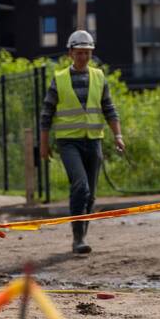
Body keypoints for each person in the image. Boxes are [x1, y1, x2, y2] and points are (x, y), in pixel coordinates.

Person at [39, 30, 124, 255]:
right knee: (80, 187)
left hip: (94, 141)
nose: (83, 57)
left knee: (91, 194)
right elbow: (46, 114)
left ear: (91, 53)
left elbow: (109, 108)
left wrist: (118, 135)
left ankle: (82, 234)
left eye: (87, 53)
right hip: (68, 142)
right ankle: (78, 239)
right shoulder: (59, 79)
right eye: (79, 53)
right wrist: (44, 143)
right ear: (70, 53)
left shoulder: (99, 77)